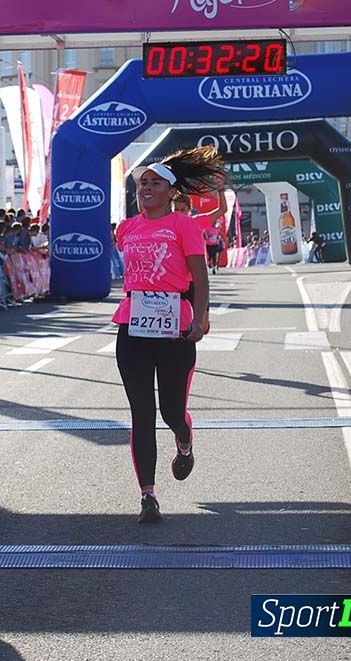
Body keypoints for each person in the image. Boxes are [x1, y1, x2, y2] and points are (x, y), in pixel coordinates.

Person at [114, 146, 224, 524]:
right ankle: (148, 495)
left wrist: (202, 316)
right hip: (132, 326)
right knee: (141, 413)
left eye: (154, 182)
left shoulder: (183, 225)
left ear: (171, 191)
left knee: (170, 411)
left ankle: (184, 439)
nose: (145, 187)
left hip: (175, 327)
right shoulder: (126, 228)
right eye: (142, 182)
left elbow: (200, 275)